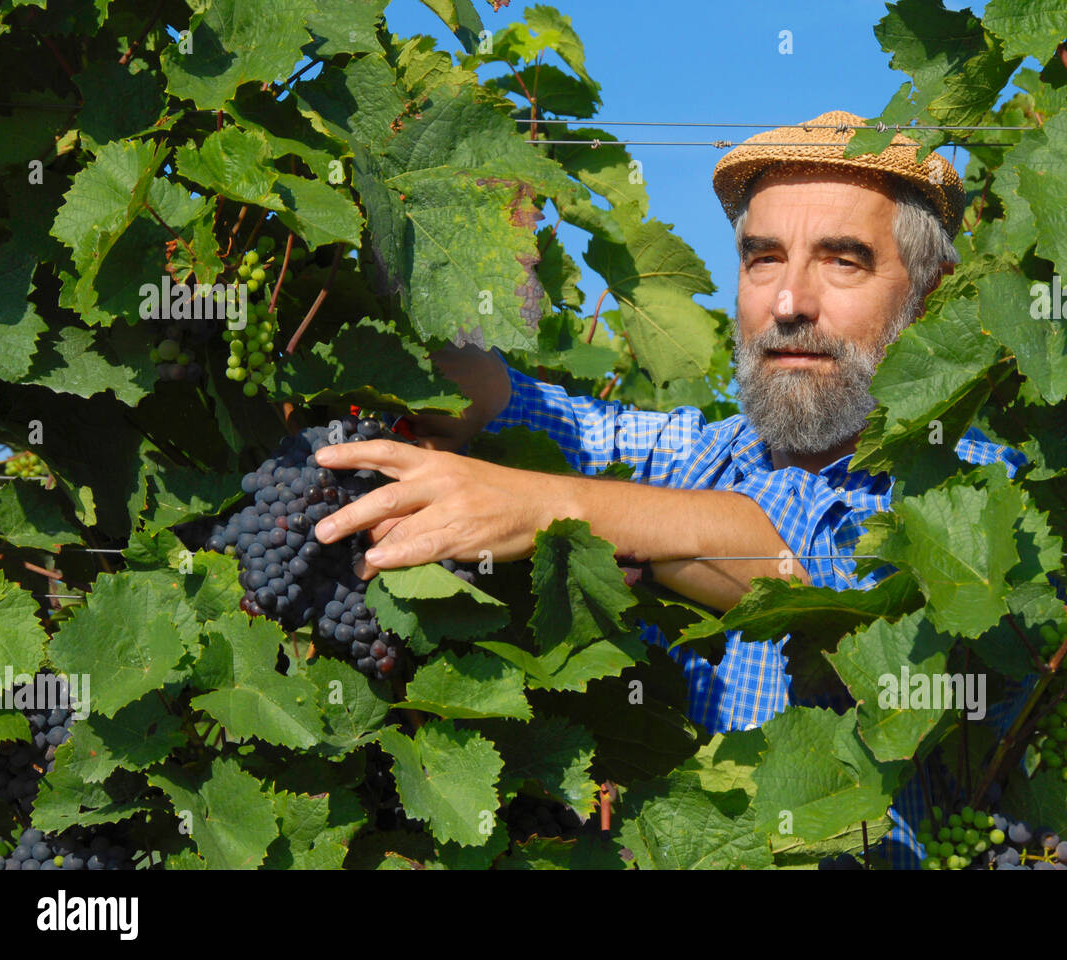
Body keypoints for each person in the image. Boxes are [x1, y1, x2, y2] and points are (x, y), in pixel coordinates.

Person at [312, 110, 1026, 868]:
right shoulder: (705, 455)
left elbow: (805, 568)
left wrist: (540, 506)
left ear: (930, 295)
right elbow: (503, 402)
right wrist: (441, 249)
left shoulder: (978, 490)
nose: (789, 304)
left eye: (842, 262)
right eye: (764, 259)